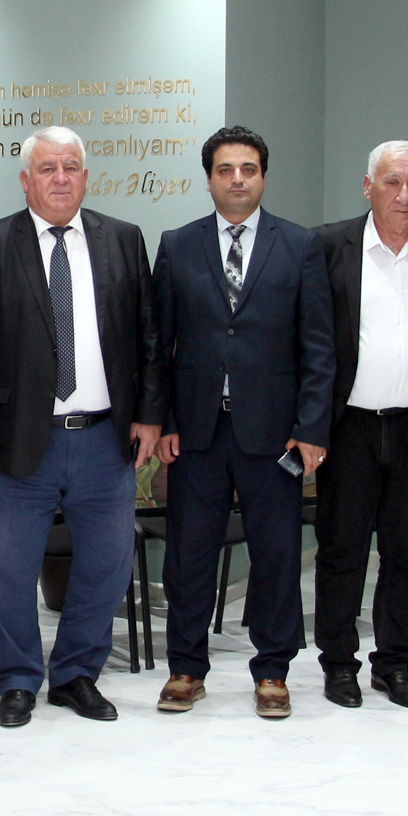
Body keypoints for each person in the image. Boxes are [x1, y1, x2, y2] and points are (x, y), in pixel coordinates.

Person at [0, 126, 164, 728]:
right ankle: (18, 679)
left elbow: (148, 336)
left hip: (104, 438)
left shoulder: (123, 239)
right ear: (26, 180)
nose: (61, 178)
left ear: (86, 177)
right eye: (48, 168)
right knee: (8, 570)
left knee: (107, 564)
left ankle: (75, 674)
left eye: (71, 167)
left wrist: (150, 414)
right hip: (19, 441)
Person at [154, 125, 334, 720]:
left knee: (277, 554)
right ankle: (186, 669)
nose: (238, 180)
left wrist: (311, 427)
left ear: (263, 176)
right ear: (208, 179)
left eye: (248, 169)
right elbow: (159, 343)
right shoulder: (177, 245)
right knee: (189, 556)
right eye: (225, 169)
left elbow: (318, 346)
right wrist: (165, 419)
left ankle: (273, 671)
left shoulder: (300, 245)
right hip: (197, 431)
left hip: (274, 433)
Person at [311, 141, 408, 709]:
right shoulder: (329, 245)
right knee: (342, 551)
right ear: (368, 186)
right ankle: (338, 664)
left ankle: (394, 664)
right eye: (392, 182)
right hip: (348, 428)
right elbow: (310, 342)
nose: (404, 194)